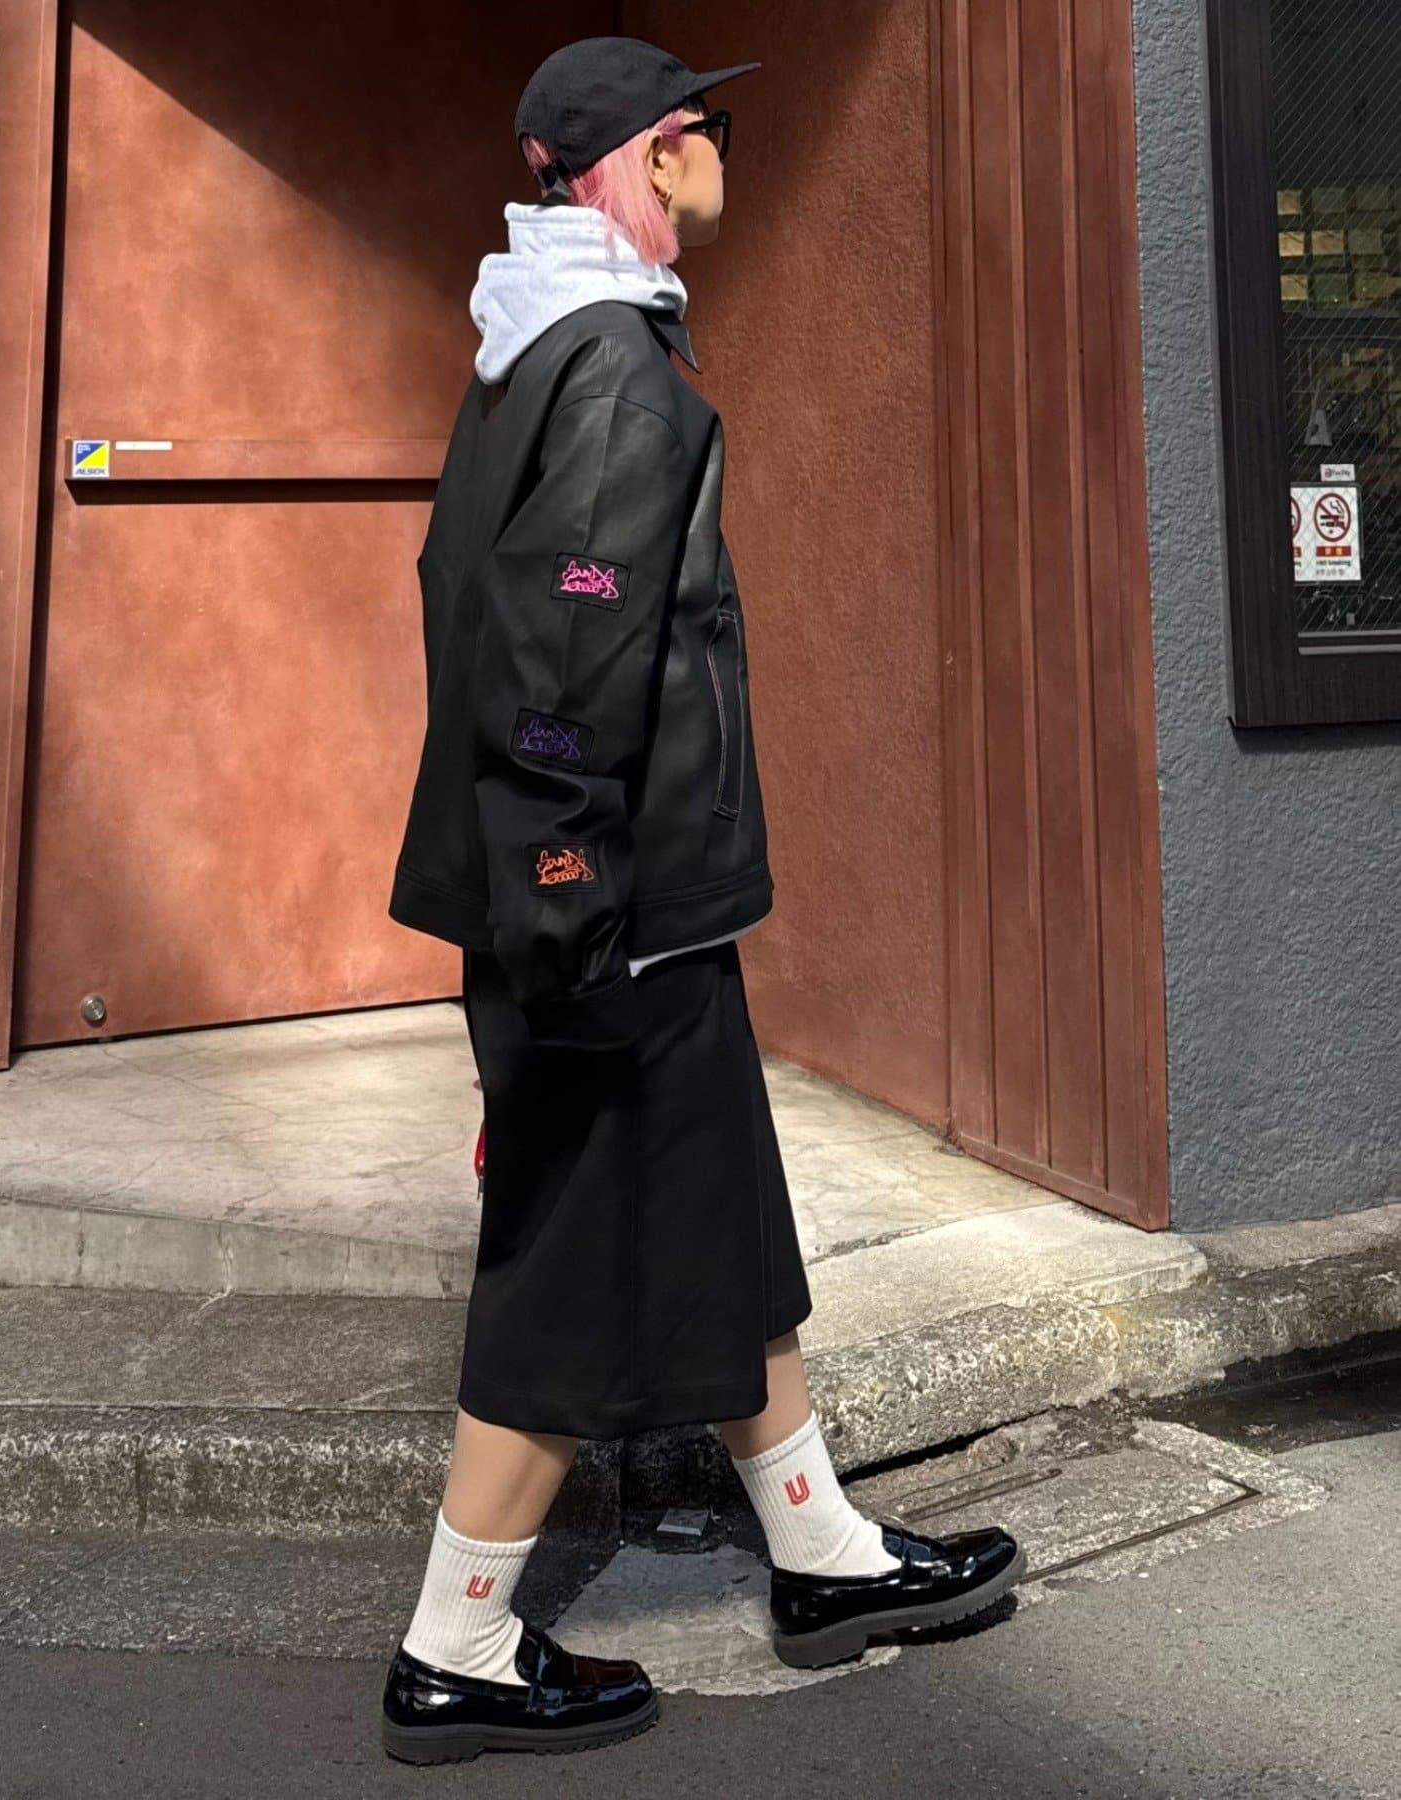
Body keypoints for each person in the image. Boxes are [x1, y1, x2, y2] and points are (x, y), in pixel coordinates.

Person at [380, 35, 1024, 1766]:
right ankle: (455, 1647)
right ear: (653, 159)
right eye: (706, 129)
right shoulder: (615, 371)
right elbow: (560, 655)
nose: (724, 151)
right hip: (608, 907)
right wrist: (566, 889)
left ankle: (820, 1551)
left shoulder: (537, 348)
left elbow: (471, 600)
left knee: (726, 1217)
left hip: (621, 901)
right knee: (568, 1261)